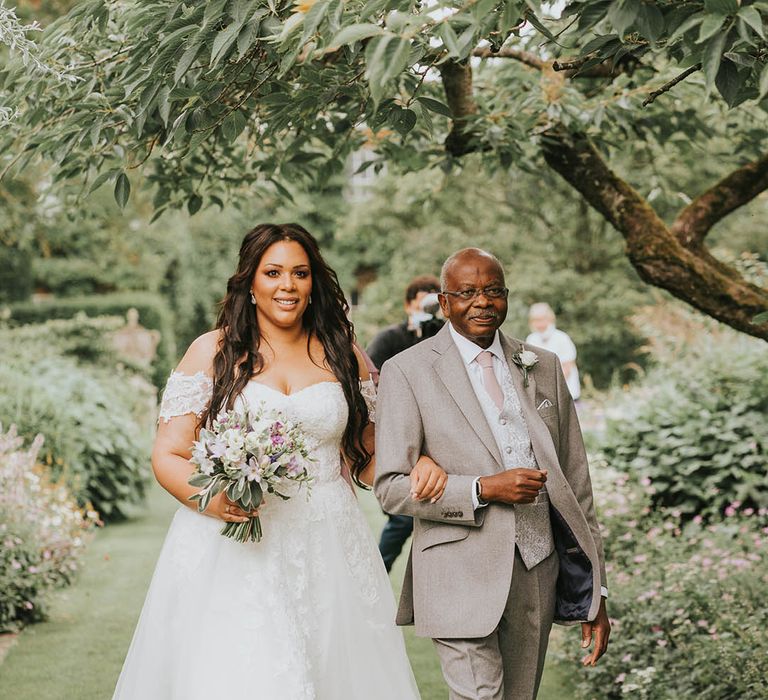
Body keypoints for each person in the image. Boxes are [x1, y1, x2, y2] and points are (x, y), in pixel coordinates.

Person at [112, 223, 444, 700]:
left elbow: (368, 453)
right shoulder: (213, 351)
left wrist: (419, 464)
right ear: (250, 281)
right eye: (273, 272)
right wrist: (212, 500)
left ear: (313, 283)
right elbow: (168, 452)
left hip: (330, 543)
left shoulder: (341, 353)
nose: (287, 285)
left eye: (300, 273)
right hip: (234, 545)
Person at [374, 248, 610, 700]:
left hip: (536, 568)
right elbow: (391, 489)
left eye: (493, 291)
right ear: (444, 303)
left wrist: (596, 591)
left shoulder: (541, 366)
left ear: (506, 297)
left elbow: (577, 487)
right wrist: (482, 489)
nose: (482, 302)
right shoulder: (407, 370)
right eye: (466, 292)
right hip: (455, 572)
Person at [367, 275, 444, 573]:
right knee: (401, 518)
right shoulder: (391, 337)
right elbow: (372, 382)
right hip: (402, 435)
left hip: (440, 435)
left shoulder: (443, 334)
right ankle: (377, 571)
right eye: (421, 300)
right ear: (408, 304)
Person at [526, 303, 580, 401]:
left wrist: (551, 389)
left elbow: (567, 368)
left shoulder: (562, 338)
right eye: (535, 320)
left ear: (550, 319)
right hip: (542, 395)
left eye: (542, 319)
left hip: (565, 392)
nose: (539, 324)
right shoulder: (531, 339)